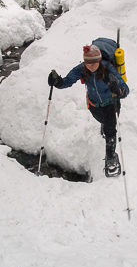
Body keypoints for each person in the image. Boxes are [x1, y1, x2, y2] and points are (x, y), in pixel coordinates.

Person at [48, 44, 129, 177]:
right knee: (102, 120)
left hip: (111, 103)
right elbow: (67, 81)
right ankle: (104, 124)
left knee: (110, 129)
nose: (90, 66)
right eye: (88, 63)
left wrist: (119, 90)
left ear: (99, 61)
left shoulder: (108, 69)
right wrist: (57, 82)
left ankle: (110, 157)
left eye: (94, 63)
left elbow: (125, 88)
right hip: (94, 104)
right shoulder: (81, 69)